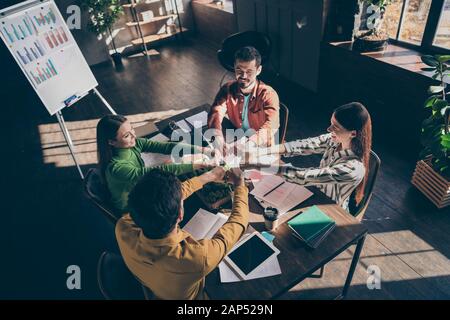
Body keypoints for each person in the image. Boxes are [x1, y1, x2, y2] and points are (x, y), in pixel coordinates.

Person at [116, 167, 249, 300]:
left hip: (153, 286)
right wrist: (240, 185)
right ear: (180, 214)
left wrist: (209, 176)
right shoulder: (197, 258)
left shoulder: (123, 227)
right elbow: (238, 223)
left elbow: (164, 199)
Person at [251, 102, 372, 210]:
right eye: (331, 124)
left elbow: (304, 176)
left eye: (335, 127)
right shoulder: (334, 140)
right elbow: (303, 145)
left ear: (353, 133)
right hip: (314, 192)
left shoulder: (353, 168)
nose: (329, 129)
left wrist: (259, 166)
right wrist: (264, 151)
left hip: (329, 209)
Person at [96, 114, 208, 212]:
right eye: (126, 135)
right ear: (111, 142)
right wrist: (200, 164)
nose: (134, 136)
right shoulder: (116, 168)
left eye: (132, 129)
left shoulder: (133, 144)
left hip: (140, 190)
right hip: (131, 210)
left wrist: (203, 150)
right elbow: (156, 172)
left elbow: (167, 147)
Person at [207, 46, 280, 149]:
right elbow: (216, 112)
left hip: (261, 146)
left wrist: (249, 143)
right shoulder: (227, 89)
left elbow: (272, 124)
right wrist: (217, 136)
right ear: (234, 67)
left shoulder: (268, 94)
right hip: (238, 138)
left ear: (258, 70)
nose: (243, 76)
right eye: (239, 70)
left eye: (249, 71)